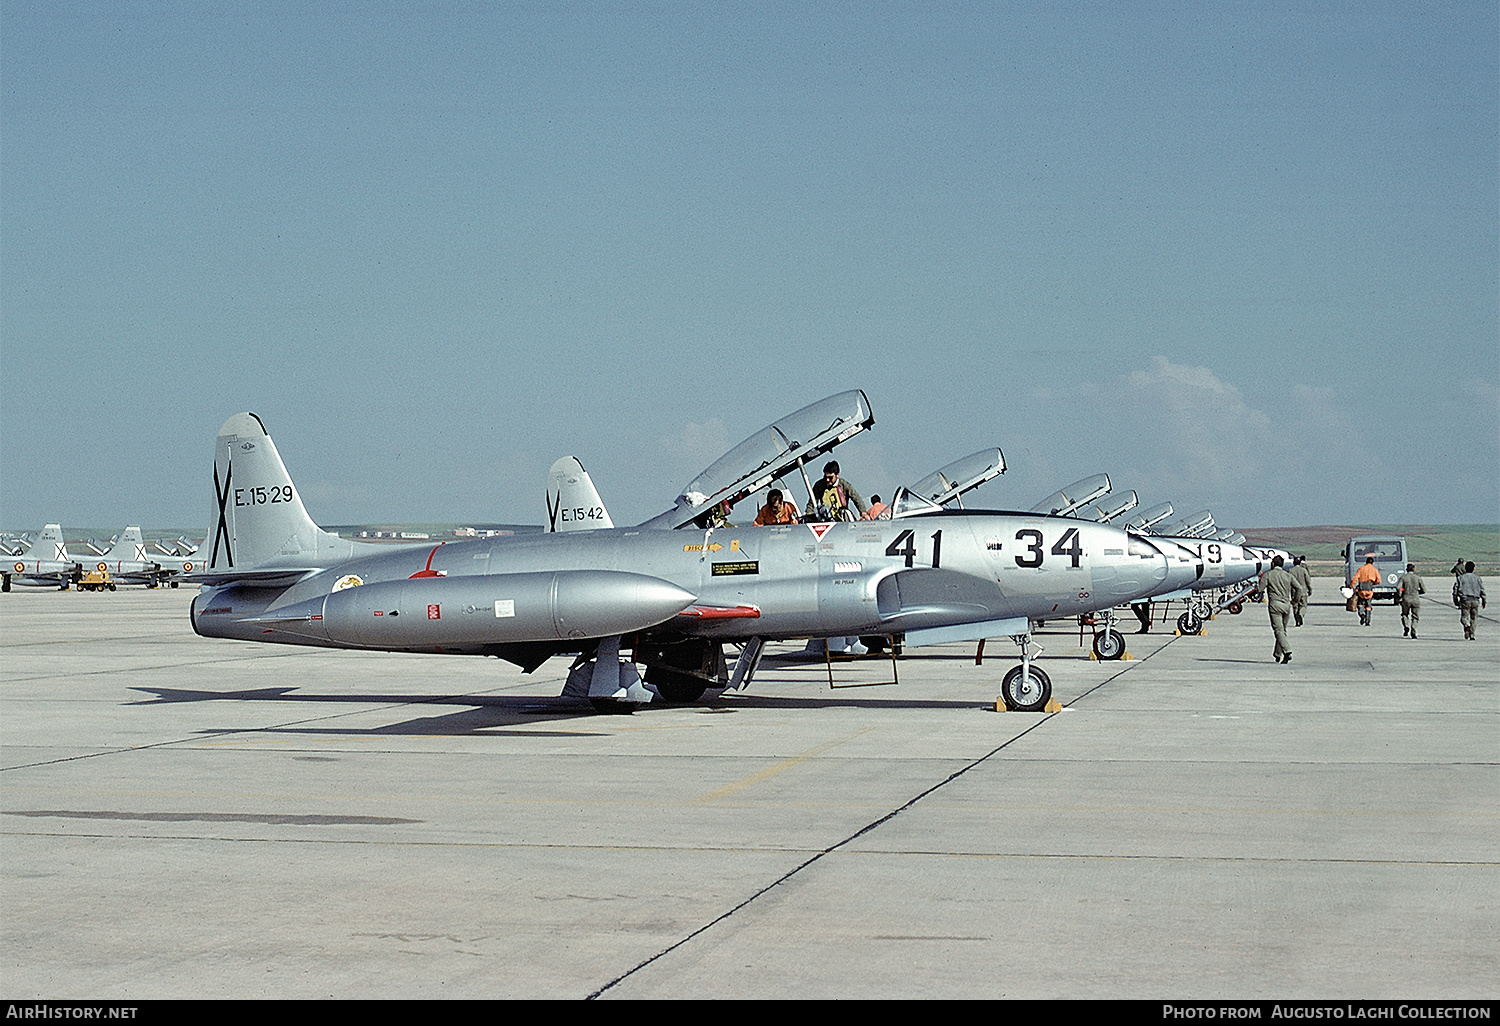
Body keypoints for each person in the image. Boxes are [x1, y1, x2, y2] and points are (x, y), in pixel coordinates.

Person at [1261, 554, 1307, 663]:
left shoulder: (1268, 575)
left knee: (1278, 630)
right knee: (1282, 631)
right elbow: (1299, 588)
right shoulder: (1288, 575)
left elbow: (1260, 588)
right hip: (1286, 605)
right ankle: (1277, 654)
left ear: (1273, 564)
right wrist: (1295, 600)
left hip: (1275, 605)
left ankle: (1287, 651)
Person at [1453, 561, 1486, 640]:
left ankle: (1467, 626)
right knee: (1474, 618)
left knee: (1464, 618)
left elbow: (1455, 591)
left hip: (1465, 600)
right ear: (1473, 569)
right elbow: (1482, 590)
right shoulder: (1477, 578)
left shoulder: (1460, 578)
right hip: (1475, 600)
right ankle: (1472, 634)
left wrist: (1456, 600)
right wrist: (1484, 600)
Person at [1350, 555, 1381, 627]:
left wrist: (1351, 586)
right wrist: (1373, 583)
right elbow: (1379, 580)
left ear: (1366, 562)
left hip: (1361, 589)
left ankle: (1362, 614)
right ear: (1372, 563)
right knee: (1368, 605)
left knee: (1360, 603)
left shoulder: (1361, 568)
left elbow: (1355, 578)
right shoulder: (1374, 570)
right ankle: (1368, 621)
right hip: (1369, 589)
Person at [1396, 562, 1425, 638]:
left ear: (1406, 570)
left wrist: (1400, 595)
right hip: (1415, 598)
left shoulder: (1403, 577)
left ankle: (1406, 626)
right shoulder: (1418, 578)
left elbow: (1398, 587)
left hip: (1406, 598)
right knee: (1415, 616)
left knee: (1405, 614)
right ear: (1414, 569)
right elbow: (1424, 590)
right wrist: (1419, 592)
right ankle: (1413, 628)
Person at [1289, 555, 1314, 627]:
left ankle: (1297, 621)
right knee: (1303, 605)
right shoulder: (1304, 570)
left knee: (1295, 606)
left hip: (1294, 591)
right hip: (1303, 591)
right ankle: (1301, 614)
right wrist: (1310, 589)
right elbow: (1308, 581)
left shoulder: (1290, 571)